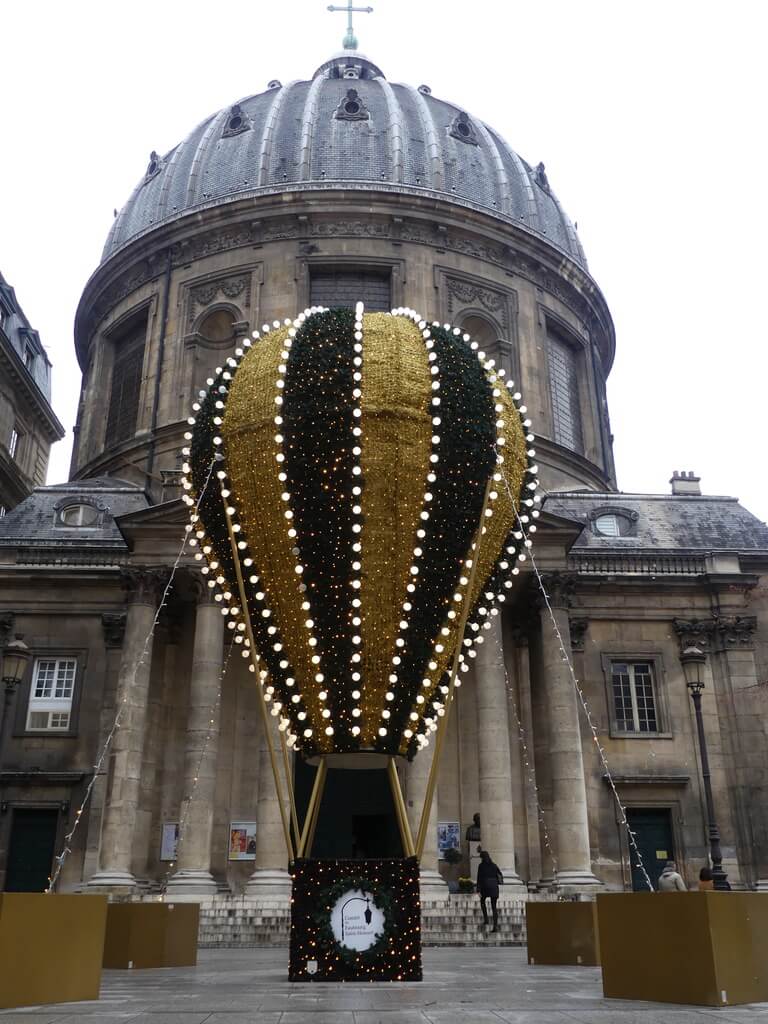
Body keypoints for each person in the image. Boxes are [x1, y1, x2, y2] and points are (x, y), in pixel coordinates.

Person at [476, 849, 503, 931]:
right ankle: (495, 926)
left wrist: (478, 889)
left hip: (485, 886)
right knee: (494, 907)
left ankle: (486, 919)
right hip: (494, 887)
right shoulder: (494, 865)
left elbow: (479, 878)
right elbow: (500, 874)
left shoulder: (481, 866)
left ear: (482, 858)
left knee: (482, 901)